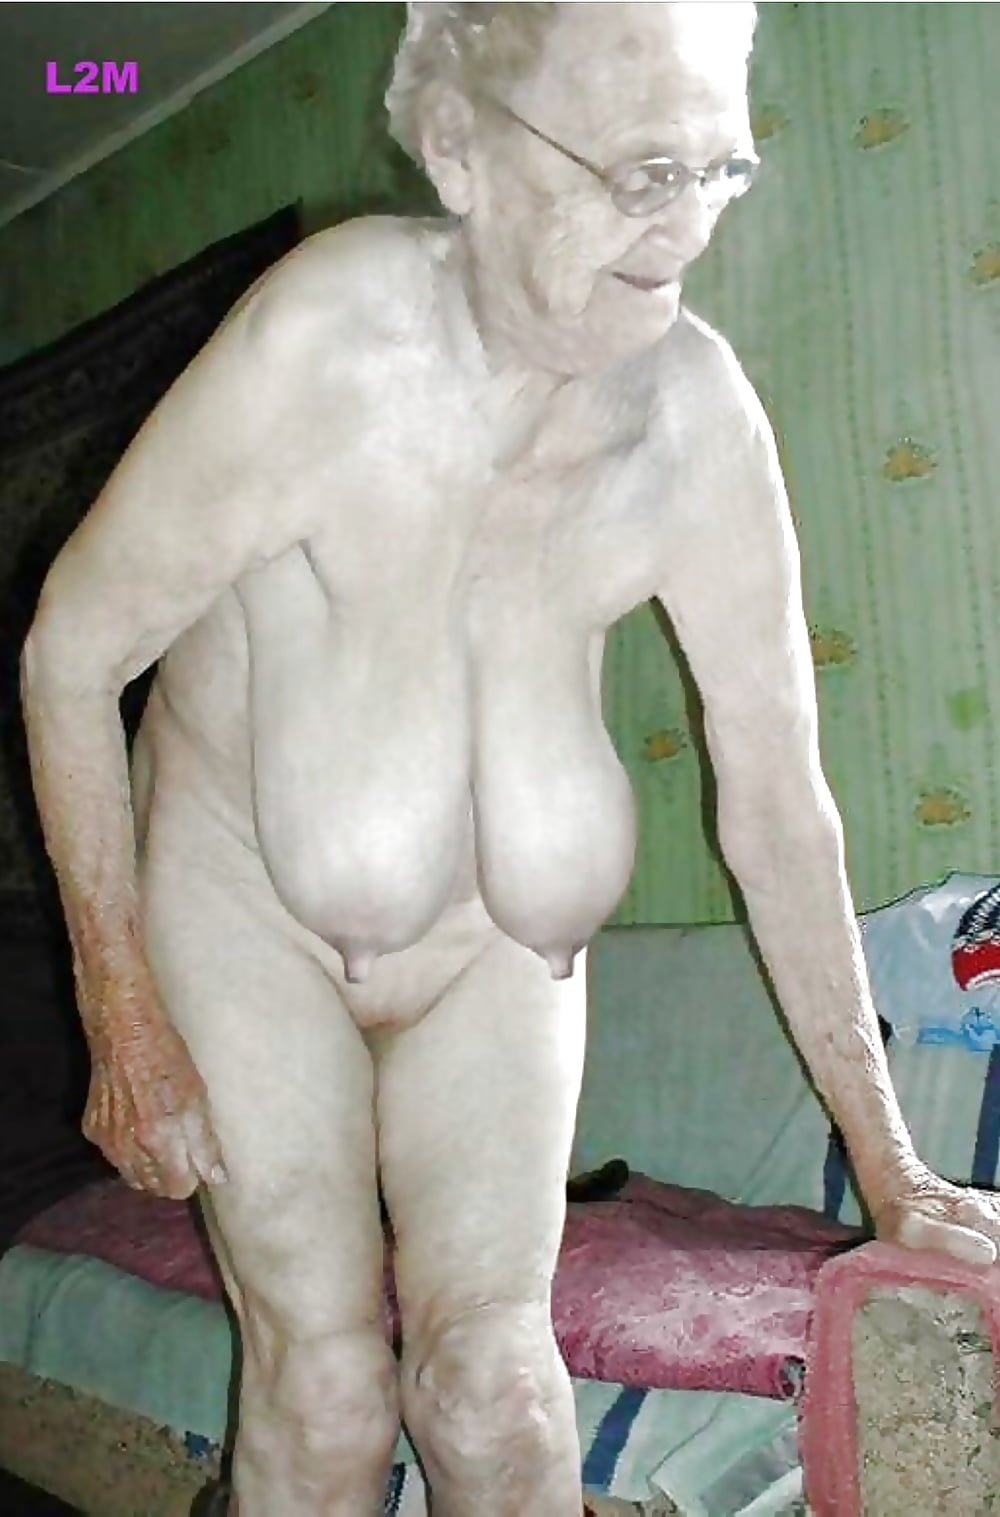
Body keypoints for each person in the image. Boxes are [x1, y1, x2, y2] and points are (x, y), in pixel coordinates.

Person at [20, 4, 1000, 1514]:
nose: (686, 227)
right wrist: (123, 1013)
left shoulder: (698, 419)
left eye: (720, 169)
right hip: (246, 914)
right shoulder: (325, 335)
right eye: (639, 171)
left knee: (499, 1390)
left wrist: (892, 1162)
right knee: (326, 1390)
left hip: (497, 955)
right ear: (462, 150)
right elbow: (71, 657)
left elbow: (779, 808)